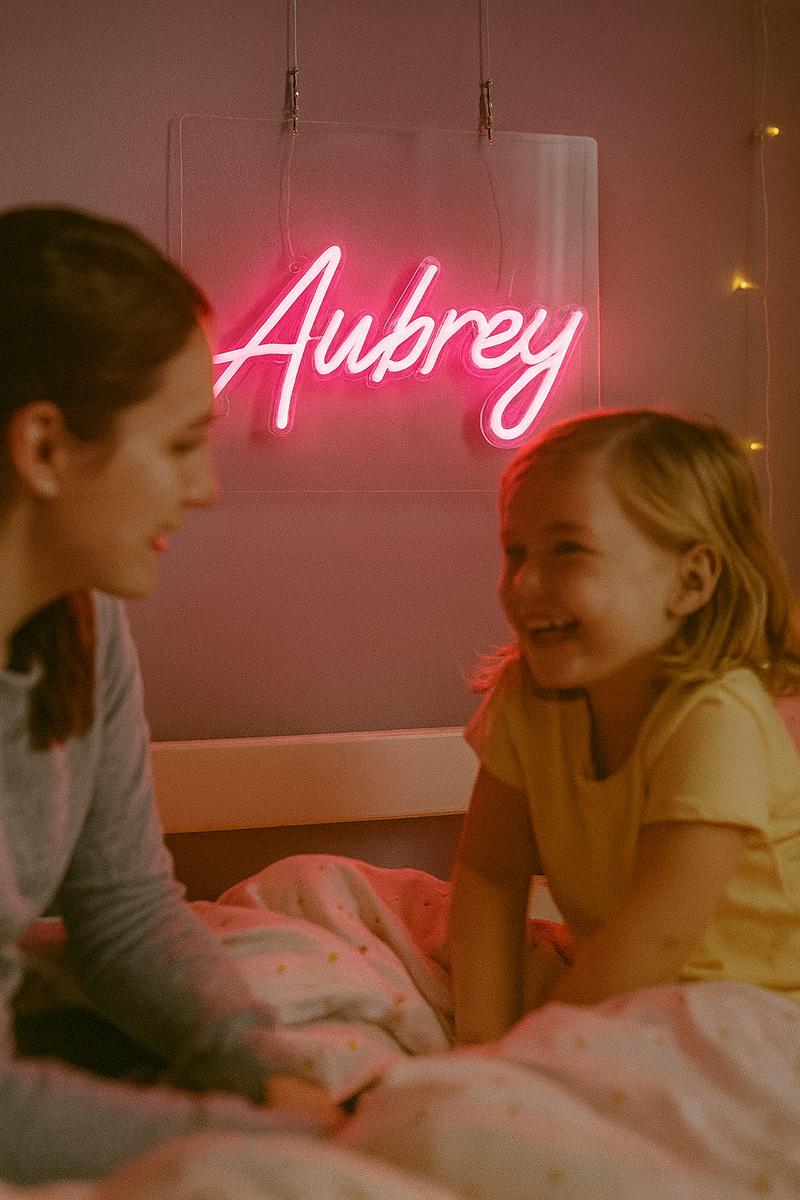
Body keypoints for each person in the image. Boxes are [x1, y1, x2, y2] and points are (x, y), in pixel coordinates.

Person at [0, 205, 339, 1186]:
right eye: (184, 443)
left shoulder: (83, 629)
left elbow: (122, 905)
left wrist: (261, 1070)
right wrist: (298, 1149)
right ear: (45, 447)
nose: (208, 489)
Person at [448, 408, 800, 1045]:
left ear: (691, 581)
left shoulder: (716, 717)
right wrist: (479, 1039)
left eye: (568, 550)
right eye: (515, 552)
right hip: (608, 988)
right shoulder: (527, 699)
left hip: (745, 1015)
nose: (524, 584)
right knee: (314, 884)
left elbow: (657, 941)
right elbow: (488, 872)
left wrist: (517, 1062)